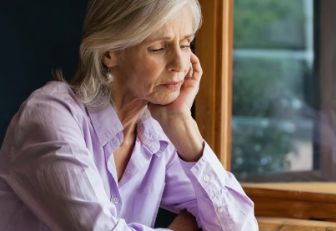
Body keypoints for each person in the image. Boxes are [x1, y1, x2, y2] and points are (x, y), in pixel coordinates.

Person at [0, 0, 258, 230]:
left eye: (186, 44)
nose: (181, 64)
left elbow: (241, 227)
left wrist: (182, 122)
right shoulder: (49, 116)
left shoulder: (157, 133)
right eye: (158, 48)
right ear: (109, 52)